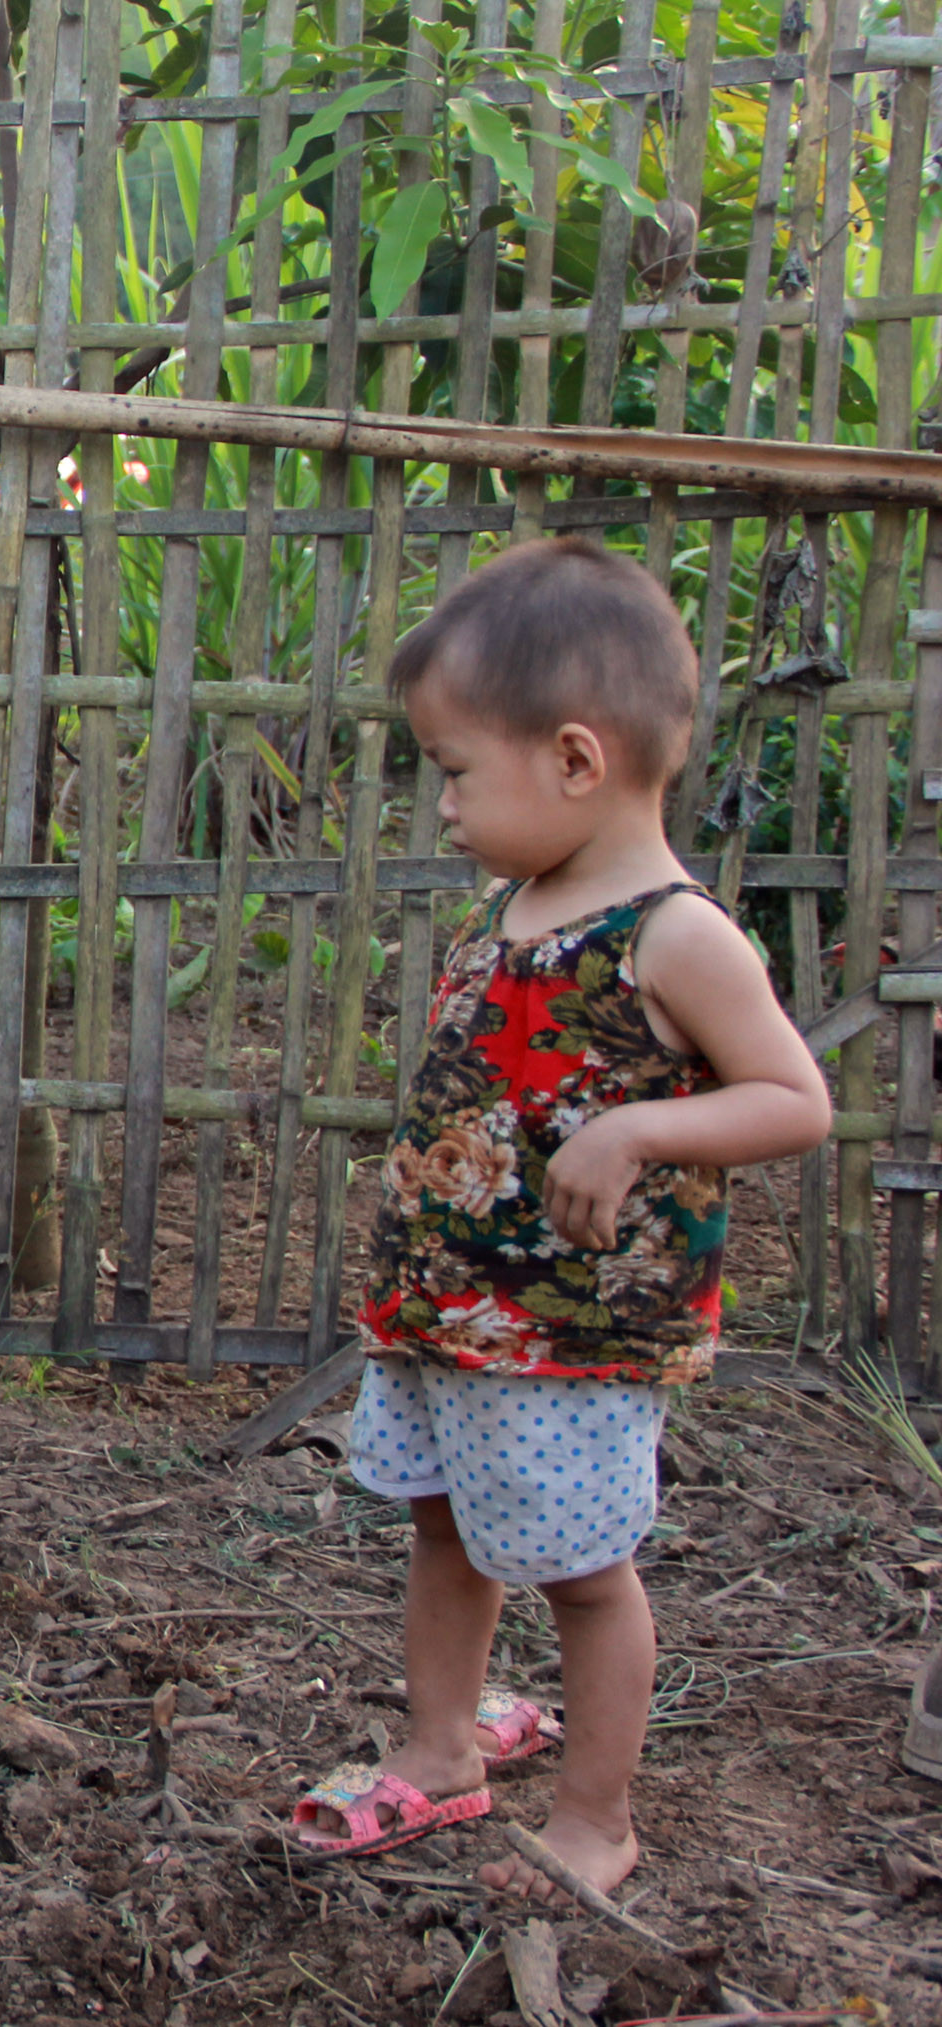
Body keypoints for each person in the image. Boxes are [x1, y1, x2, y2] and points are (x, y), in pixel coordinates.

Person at [291, 537, 832, 1899]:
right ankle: (444, 1739)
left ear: (578, 760)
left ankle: (598, 1811)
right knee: (443, 1526)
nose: (445, 805)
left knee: (586, 1573)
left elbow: (793, 1098)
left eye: (459, 772)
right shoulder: (515, 905)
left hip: (574, 1331)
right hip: (455, 1311)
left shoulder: (675, 935)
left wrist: (642, 1123)